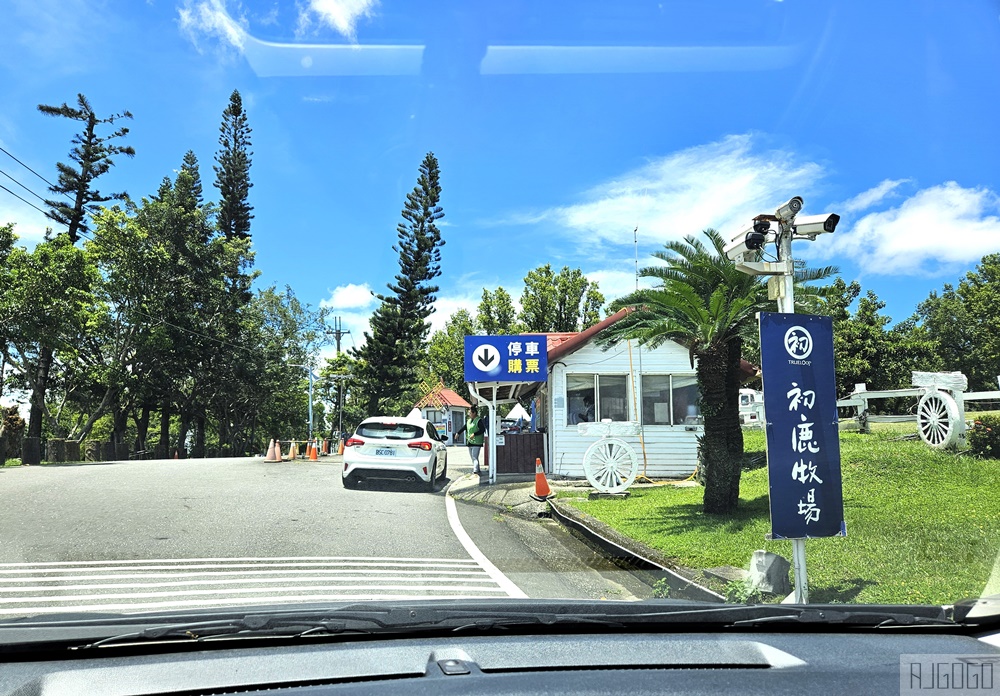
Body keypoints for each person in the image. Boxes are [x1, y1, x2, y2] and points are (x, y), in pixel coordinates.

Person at [455, 408, 489, 475]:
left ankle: (475, 471)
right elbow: (464, 427)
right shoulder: (469, 421)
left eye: (470, 413)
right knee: (473, 458)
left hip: (477, 442)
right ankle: (478, 470)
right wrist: (458, 433)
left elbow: (482, 430)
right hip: (470, 442)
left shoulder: (479, 421)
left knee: (474, 457)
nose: (469, 414)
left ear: (474, 413)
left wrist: (474, 434)